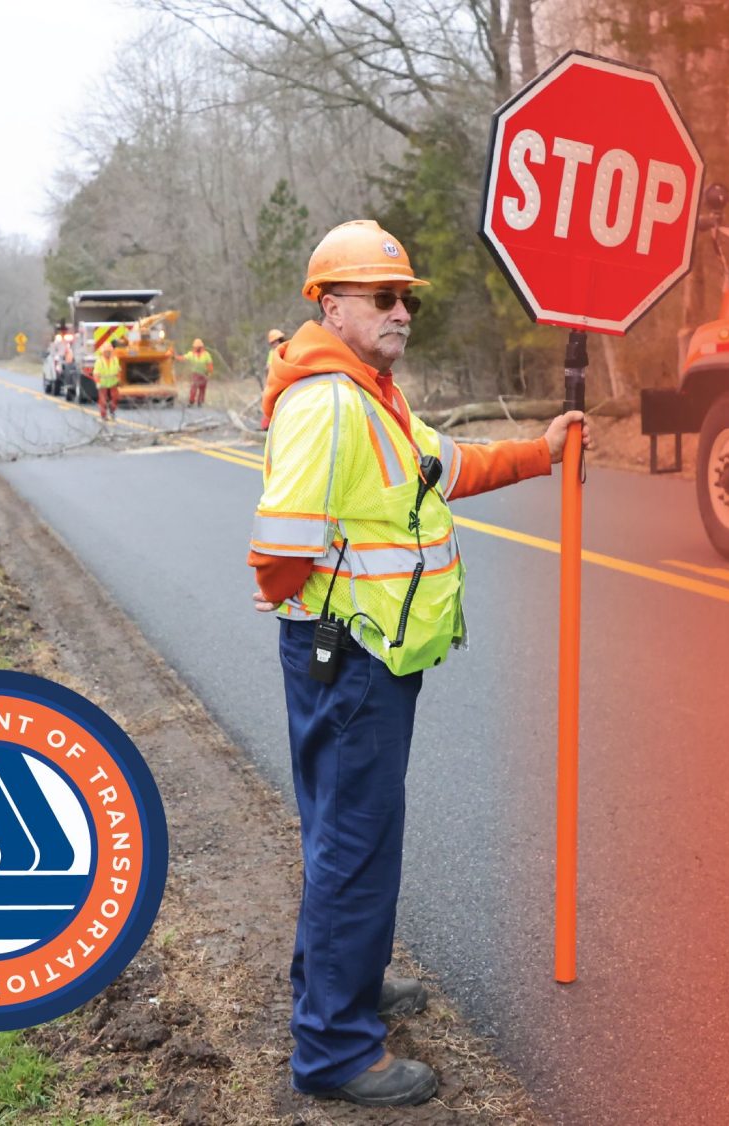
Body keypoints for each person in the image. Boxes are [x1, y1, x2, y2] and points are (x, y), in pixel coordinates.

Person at [244, 219, 580, 1107]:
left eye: (407, 300)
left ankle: (344, 984)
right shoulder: (330, 400)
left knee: (347, 833)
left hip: (365, 650)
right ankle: (334, 1048)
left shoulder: (371, 395)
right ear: (331, 306)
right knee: (354, 842)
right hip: (352, 650)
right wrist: (290, 593)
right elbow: (280, 538)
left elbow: (446, 464)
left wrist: (541, 453)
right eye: (383, 297)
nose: (401, 312)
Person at [94, 332, 125, 420]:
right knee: (103, 400)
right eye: (106, 352)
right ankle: (104, 415)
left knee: (115, 398)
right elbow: (96, 373)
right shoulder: (99, 361)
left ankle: (112, 412)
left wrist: (119, 380)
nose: (108, 353)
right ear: (103, 352)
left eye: (109, 351)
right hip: (103, 384)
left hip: (113, 383)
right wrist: (98, 382)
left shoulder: (115, 360)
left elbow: (118, 371)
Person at [178, 337, 215, 407]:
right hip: (195, 374)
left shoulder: (206, 355)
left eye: (197, 347)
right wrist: (175, 357)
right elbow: (183, 358)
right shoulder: (192, 354)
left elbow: (210, 364)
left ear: (201, 347)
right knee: (194, 387)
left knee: (202, 388)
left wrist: (210, 373)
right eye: (195, 347)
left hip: (204, 374)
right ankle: (191, 401)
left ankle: (200, 402)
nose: (196, 348)